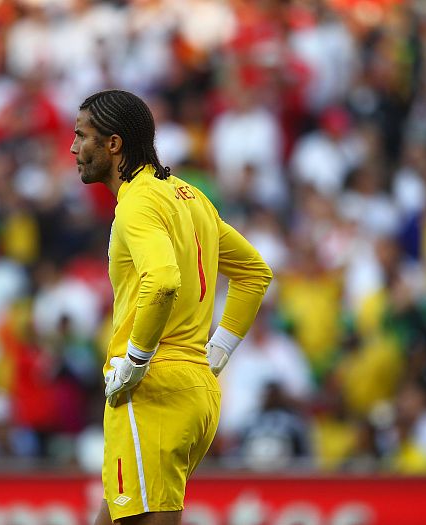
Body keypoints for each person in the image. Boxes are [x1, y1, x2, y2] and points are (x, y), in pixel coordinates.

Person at [71, 89, 272, 525]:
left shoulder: (137, 204)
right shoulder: (190, 197)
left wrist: (137, 360)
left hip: (151, 389)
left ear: (113, 143)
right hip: (196, 387)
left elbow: (161, 281)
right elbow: (255, 273)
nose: (73, 148)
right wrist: (215, 353)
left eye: (81, 136)